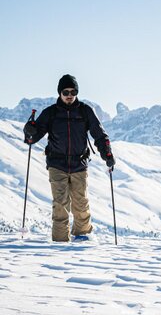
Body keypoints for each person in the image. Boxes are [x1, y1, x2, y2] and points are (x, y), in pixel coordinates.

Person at [23, 74, 115, 242]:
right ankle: (60, 242)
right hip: (57, 164)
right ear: (60, 93)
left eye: (73, 91)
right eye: (65, 92)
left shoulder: (85, 111)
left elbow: (99, 134)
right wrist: (29, 130)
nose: (69, 95)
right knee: (60, 205)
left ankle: (83, 237)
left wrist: (107, 154)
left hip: (79, 163)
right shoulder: (50, 113)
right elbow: (32, 138)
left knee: (81, 204)